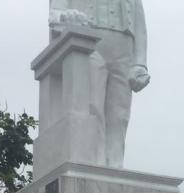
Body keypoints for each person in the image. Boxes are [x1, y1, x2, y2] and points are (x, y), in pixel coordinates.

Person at [48, 0, 149, 168]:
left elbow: (140, 24)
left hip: (124, 45)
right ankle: (97, 162)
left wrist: (140, 62)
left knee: (120, 113)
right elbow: (55, 12)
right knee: (93, 105)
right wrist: (64, 17)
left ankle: (115, 164)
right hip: (89, 39)